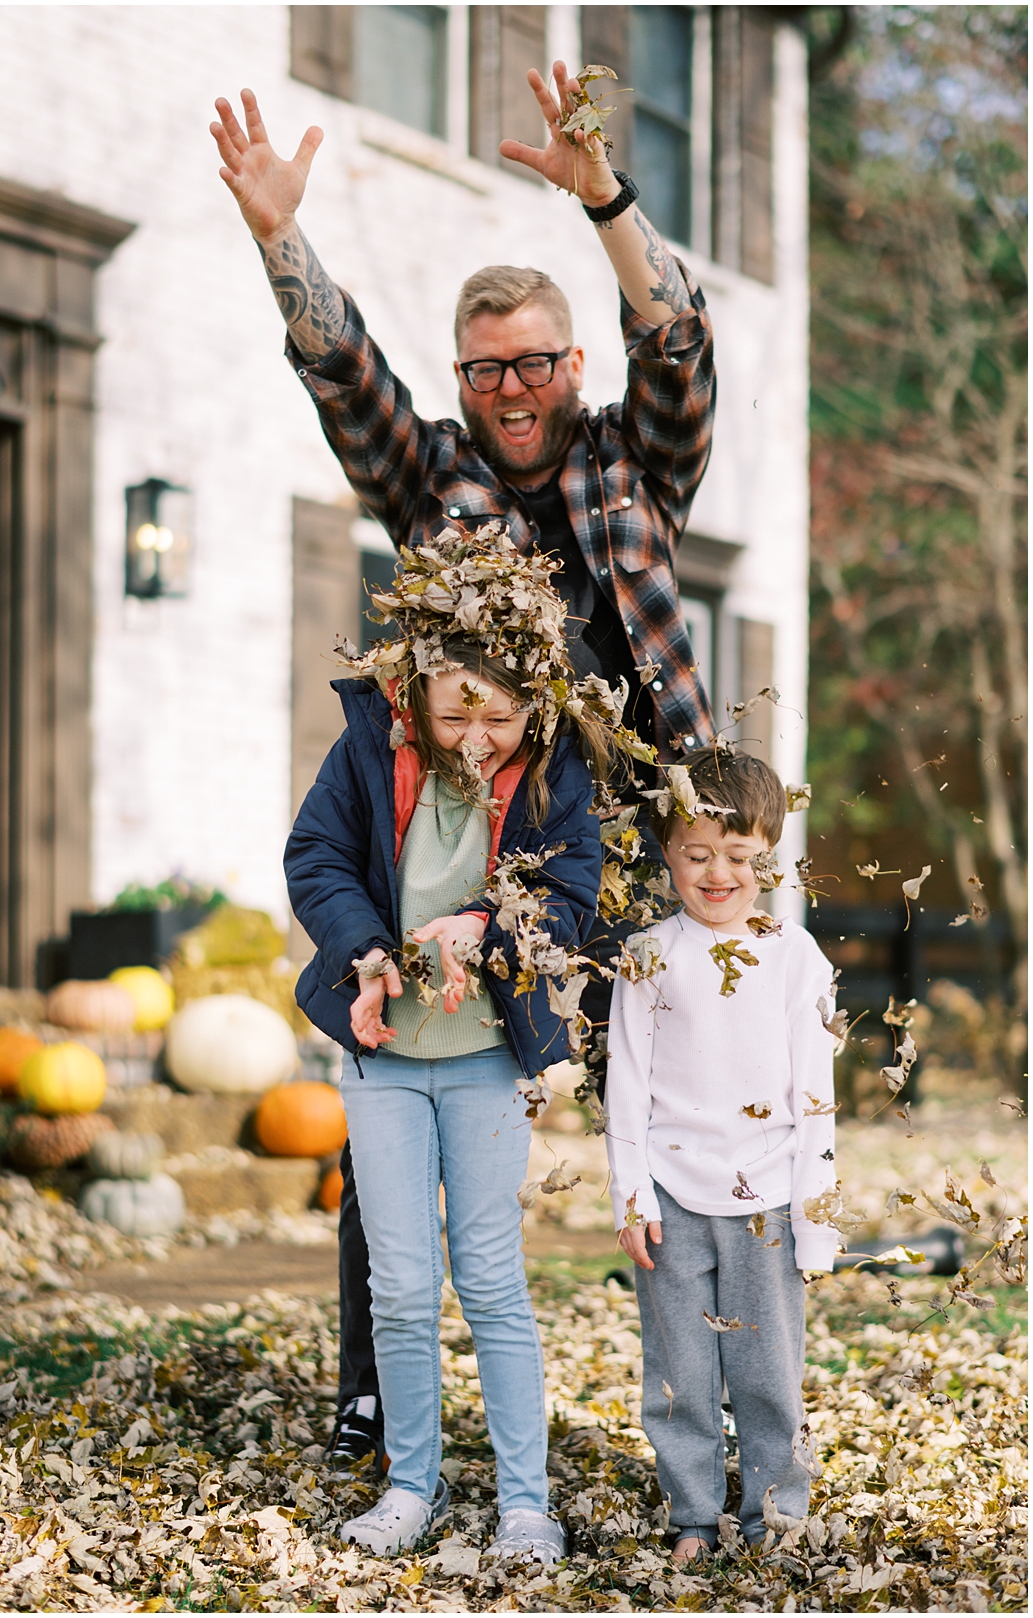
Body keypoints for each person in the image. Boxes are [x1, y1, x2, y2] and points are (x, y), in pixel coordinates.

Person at [210, 61, 717, 1470]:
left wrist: (604, 193)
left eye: (537, 360)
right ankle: (379, 1391)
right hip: (461, 831)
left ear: (571, 365)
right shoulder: (432, 475)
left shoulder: (636, 469)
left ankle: (702, 1397)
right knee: (401, 1091)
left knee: (676, 1112)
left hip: (629, 832)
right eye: (486, 364)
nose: (512, 386)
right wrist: (278, 237)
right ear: (466, 377)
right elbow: (342, 371)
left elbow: (676, 336)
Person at [284, 522, 624, 1559]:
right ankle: (411, 1485)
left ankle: (526, 1501)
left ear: (534, 704)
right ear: (420, 693)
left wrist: (490, 924)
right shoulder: (368, 751)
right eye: (456, 712)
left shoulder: (555, 774)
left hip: (483, 1062)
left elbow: (573, 896)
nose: (478, 737)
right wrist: (365, 955)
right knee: (397, 1279)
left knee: (487, 1277)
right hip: (383, 1059)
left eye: (501, 716)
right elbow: (318, 859)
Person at [605, 747, 839, 1561]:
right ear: (667, 852)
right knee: (680, 1379)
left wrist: (816, 1217)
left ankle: (775, 1512)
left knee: (768, 1372)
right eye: (698, 854)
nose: (718, 874)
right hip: (670, 1197)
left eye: (739, 857)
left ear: (769, 854)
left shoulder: (794, 957)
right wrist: (631, 1195)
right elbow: (626, 1086)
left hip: (767, 1201)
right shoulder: (649, 955)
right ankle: (695, 1517)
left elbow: (815, 1095)